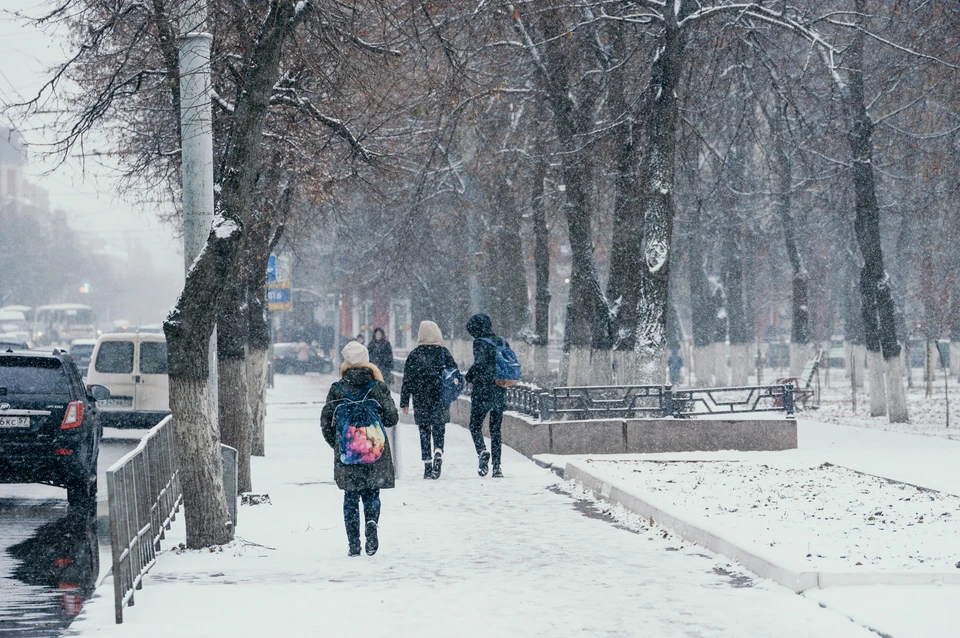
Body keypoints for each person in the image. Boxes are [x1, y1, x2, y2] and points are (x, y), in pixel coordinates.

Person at [320, 341, 398, 557]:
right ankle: (372, 522)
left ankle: (354, 545)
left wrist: (339, 444)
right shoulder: (377, 387)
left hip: (348, 454)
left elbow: (325, 422)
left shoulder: (337, 389)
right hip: (375, 451)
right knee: (372, 492)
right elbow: (392, 418)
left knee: (351, 497)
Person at [400, 321, 457, 480]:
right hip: (440, 397)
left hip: (421, 398)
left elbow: (407, 380)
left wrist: (405, 401)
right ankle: (438, 451)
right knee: (439, 427)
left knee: (424, 430)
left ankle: (427, 465)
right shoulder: (443, 353)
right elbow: (454, 373)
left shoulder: (414, 355)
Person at [464, 313, 506, 478]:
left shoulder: (480, 342)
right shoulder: (501, 341)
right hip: (499, 390)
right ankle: (497, 467)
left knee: (474, 425)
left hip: (483, 391)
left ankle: (482, 451)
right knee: (495, 430)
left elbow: (480, 364)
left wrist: (469, 376)